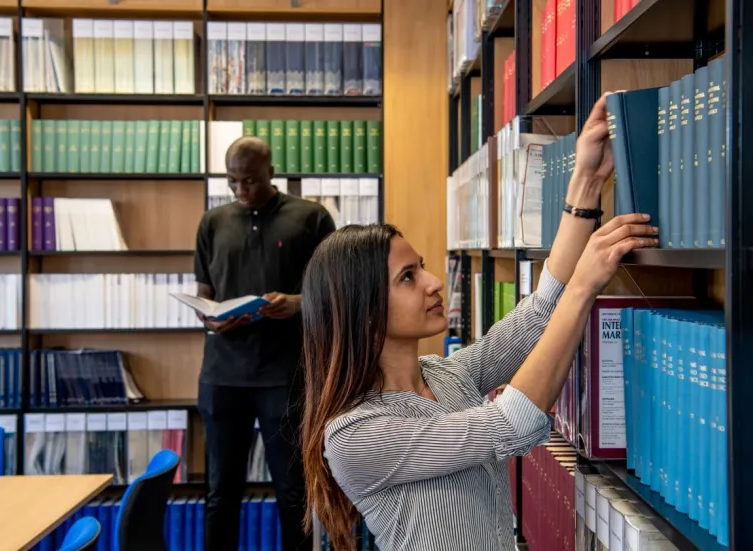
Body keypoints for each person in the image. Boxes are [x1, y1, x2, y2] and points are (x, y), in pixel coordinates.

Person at [298, 94, 660, 551]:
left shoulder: (448, 375)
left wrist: (586, 181)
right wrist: (585, 286)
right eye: (408, 278)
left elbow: (540, 312)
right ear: (363, 311)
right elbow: (512, 423)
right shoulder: (355, 435)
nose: (433, 283)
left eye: (422, 267)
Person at [193, 136, 336, 551]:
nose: (241, 190)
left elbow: (336, 292)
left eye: (250, 180)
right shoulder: (212, 222)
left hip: (285, 376)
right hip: (222, 377)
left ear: (271, 173)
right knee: (220, 493)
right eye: (233, 181)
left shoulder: (311, 218)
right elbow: (204, 292)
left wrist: (297, 303)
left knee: (292, 492)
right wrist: (210, 316)